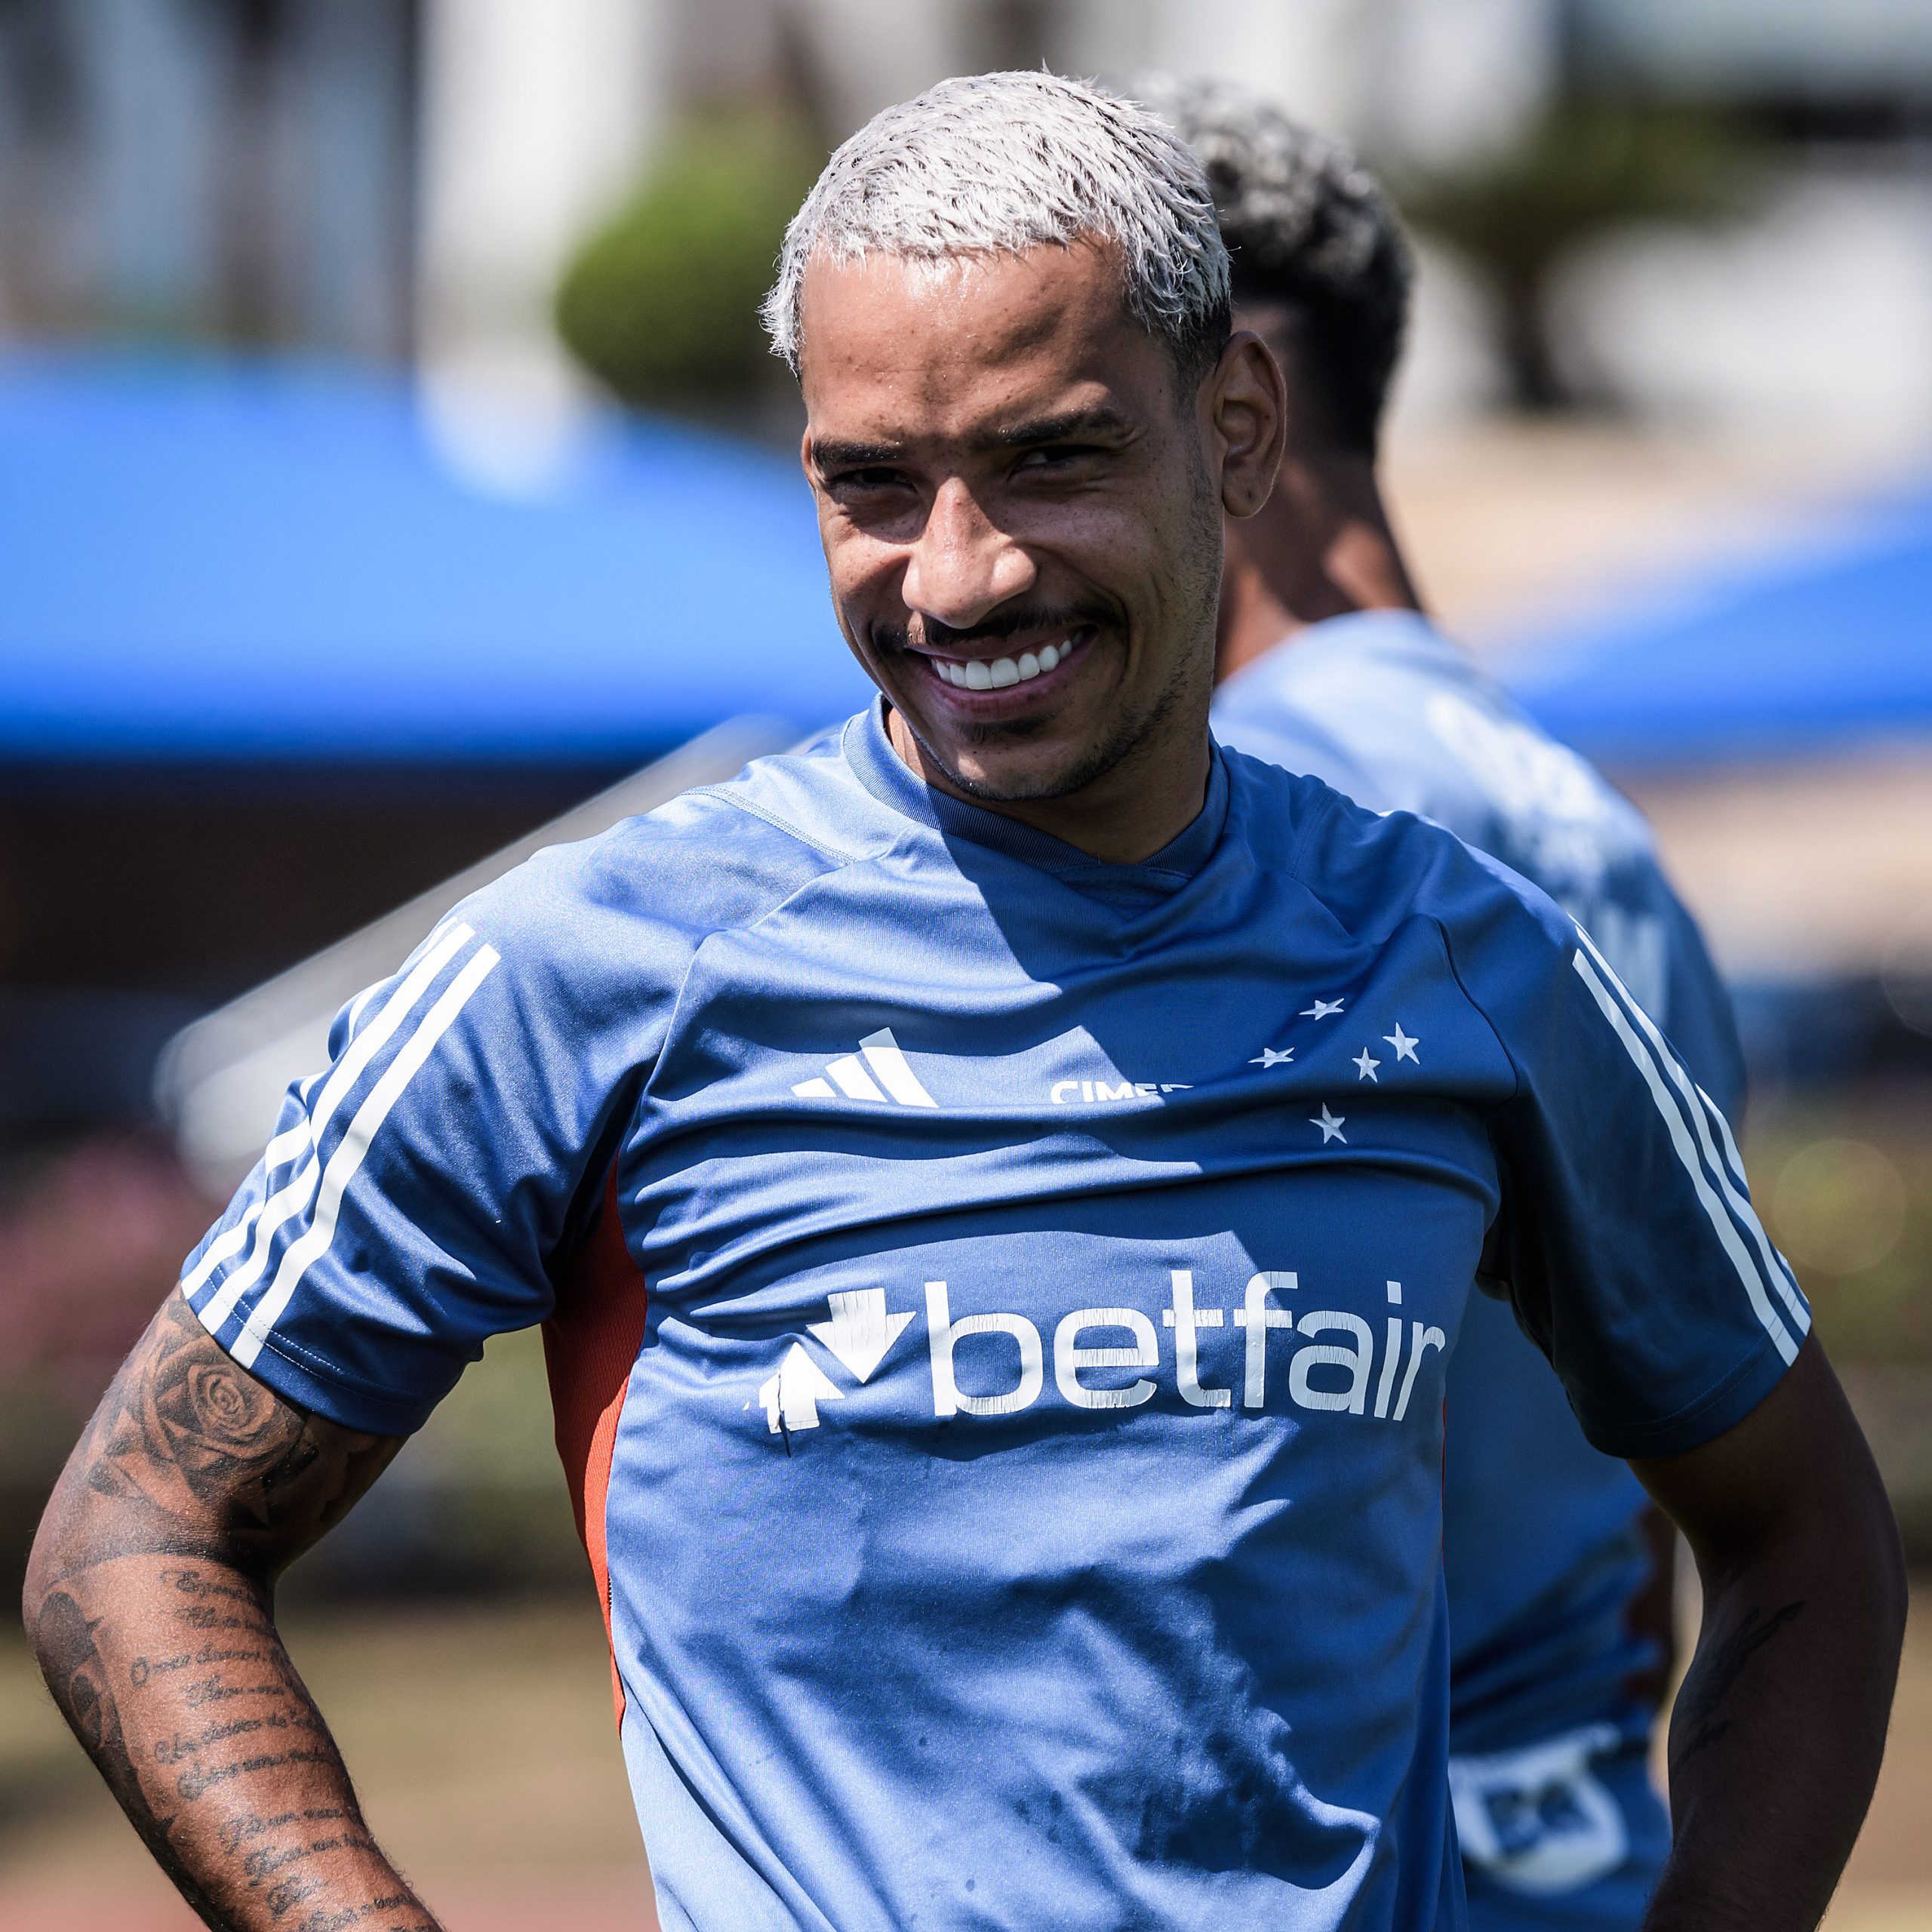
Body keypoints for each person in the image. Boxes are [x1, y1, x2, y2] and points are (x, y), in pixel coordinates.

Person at [26, 71, 1903, 1932]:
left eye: (1050, 457)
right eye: (872, 485)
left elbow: (1802, 1528)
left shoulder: (1461, 953)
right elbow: (134, 1537)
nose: (959, 573)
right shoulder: (585, 968)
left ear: (1235, 428)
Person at [1135, 75, 1746, 1929]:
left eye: (1059, 414)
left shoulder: (1263, 821)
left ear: (1228, 398)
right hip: (1570, 1852)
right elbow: (1676, 1444)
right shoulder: (1579, 811)